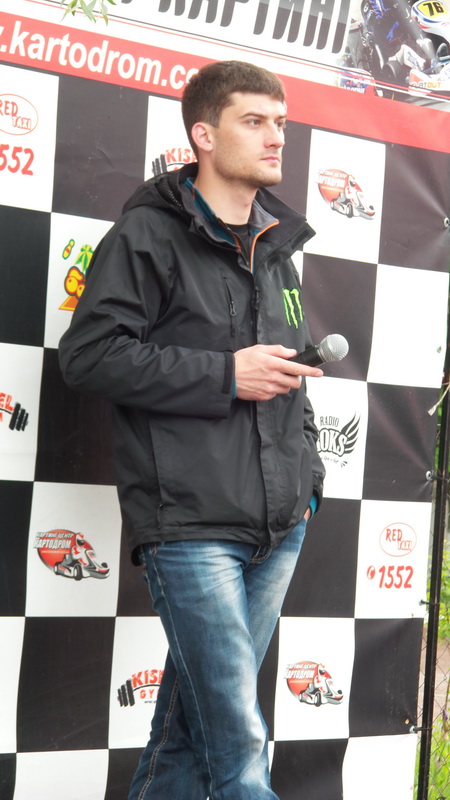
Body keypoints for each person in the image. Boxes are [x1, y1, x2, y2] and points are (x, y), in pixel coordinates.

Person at [59, 60, 325, 800]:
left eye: (280, 122)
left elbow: (290, 372)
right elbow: (88, 357)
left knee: (185, 734)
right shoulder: (145, 235)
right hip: (191, 525)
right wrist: (224, 375)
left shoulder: (276, 247)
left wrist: (308, 480)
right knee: (239, 747)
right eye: (255, 121)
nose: (276, 137)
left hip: (281, 524)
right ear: (203, 135)